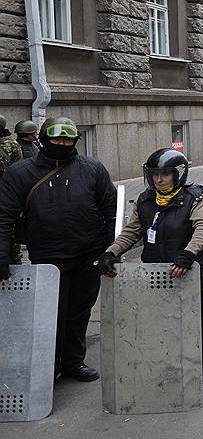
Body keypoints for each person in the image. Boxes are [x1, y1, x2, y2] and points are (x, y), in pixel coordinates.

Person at [0, 116, 116, 382]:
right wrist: (3, 253)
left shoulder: (92, 169)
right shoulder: (20, 173)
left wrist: (111, 250)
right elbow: (4, 215)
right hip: (47, 257)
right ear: (43, 139)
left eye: (67, 139)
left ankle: (74, 362)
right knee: (49, 314)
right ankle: (48, 365)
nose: (62, 144)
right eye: (56, 139)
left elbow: (111, 210)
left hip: (88, 254)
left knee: (79, 311)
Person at [99, 149, 203, 389]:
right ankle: (165, 357)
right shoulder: (145, 200)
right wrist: (111, 252)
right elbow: (132, 232)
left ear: (178, 175)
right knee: (157, 315)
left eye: (165, 174)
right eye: (154, 175)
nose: (158, 180)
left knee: (196, 317)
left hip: (185, 269)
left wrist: (188, 254)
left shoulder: (192, 198)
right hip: (153, 269)